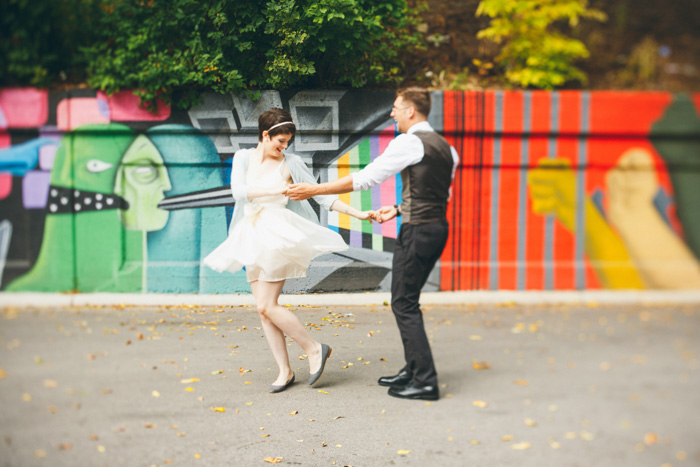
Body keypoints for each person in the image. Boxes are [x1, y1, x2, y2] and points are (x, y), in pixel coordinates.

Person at [287, 87, 459, 401]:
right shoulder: (447, 148)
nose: (391, 113)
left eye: (396, 108)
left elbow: (366, 178)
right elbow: (438, 196)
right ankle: (414, 368)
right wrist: (395, 209)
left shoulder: (410, 142)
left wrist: (313, 189)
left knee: (403, 303)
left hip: (418, 230)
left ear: (411, 111)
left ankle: (425, 380)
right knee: (406, 300)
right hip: (436, 228)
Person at [204, 108, 373, 393]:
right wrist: (277, 191)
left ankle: (314, 348)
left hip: (278, 234)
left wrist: (356, 213)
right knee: (263, 311)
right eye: (279, 141)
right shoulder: (243, 158)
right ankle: (284, 371)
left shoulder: (291, 163)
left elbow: (321, 196)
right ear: (265, 134)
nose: (283, 147)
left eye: (287, 142)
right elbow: (238, 192)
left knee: (266, 305)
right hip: (251, 234)